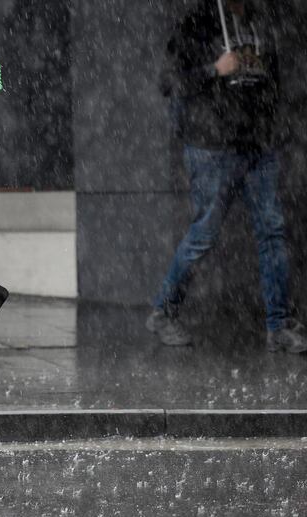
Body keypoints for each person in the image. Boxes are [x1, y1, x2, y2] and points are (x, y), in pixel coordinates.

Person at [148, 0, 307, 352]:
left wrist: (268, 124)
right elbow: (169, 82)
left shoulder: (258, 22)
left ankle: (278, 325)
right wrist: (214, 70)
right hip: (212, 146)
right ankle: (162, 312)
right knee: (204, 233)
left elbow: (273, 80)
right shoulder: (197, 23)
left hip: (258, 145)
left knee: (272, 231)